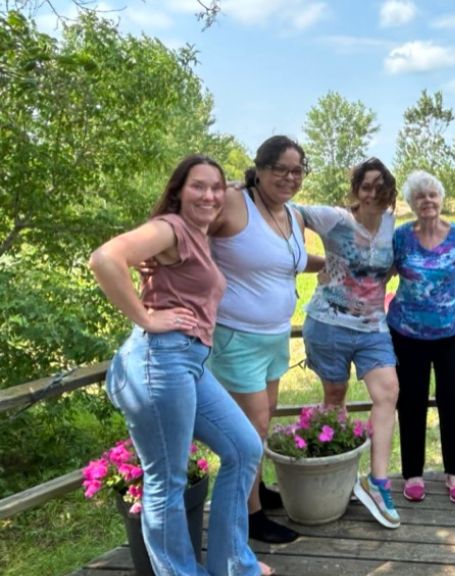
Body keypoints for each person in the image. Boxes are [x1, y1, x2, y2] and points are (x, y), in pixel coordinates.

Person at [90, 155, 266, 576]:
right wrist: (147, 317)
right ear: (178, 191)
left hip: (190, 361)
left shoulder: (200, 235)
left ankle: (232, 564)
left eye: (216, 187)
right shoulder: (170, 228)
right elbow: (105, 259)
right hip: (160, 359)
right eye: (198, 186)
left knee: (244, 448)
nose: (208, 194)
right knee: (166, 480)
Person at [207, 135, 322, 545]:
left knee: (263, 419)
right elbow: (187, 232)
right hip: (235, 337)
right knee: (250, 426)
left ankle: (256, 492)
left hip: (274, 338)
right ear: (260, 169)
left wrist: (332, 265)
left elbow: (288, 259)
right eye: (281, 170)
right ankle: (248, 514)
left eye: (297, 171)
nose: (290, 178)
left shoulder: (291, 214)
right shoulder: (236, 202)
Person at [297, 157, 401, 529]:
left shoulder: (391, 224)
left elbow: (394, 265)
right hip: (328, 324)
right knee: (335, 399)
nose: (372, 192)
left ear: (389, 193)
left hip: (373, 327)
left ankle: (378, 481)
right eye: (366, 185)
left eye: (380, 186)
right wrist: (299, 256)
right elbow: (293, 211)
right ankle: (338, 477)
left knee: (388, 393)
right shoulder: (336, 219)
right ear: (356, 189)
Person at [387, 170, 455, 505]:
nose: (427, 201)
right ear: (411, 203)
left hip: (453, 334)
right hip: (407, 334)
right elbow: (382, 279)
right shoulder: (401, 237)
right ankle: (413, 474)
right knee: (411, 402)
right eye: (420, 197)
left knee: (453, 400)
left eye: (432, 195)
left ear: (441, 199)